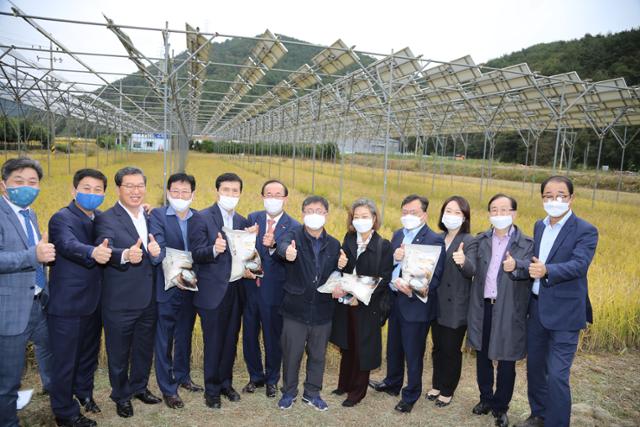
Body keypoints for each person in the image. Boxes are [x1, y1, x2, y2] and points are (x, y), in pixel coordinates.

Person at [516, 176, 598, 427]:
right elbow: (535, 263)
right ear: (542, 199)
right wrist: (517, 266)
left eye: (561, 195)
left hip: (566, 313)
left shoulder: (586, 230)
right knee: (535, 369)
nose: (555, 200)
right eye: (549, 196)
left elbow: (579, 265)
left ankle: (557, 423)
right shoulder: (540, 226)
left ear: (572, 198)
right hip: (538, 308)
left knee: (557, 376)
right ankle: (538, 415)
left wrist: (548, 271)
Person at [94, 167, 162, 418]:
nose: (135, 191)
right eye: (129, 186)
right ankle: (121, 395)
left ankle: (139, 387)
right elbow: (104, 246)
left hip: (148, 298)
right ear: (119, 189)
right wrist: (124, 254)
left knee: (144, 349)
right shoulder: (107, 218)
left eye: (140, 186)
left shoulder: (150, 215)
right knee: (119, 352)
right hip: (120, 300)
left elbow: (157, 247)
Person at [369, 194, 445, 414]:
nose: (408, 216)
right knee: (394, 347)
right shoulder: (398, 234)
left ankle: (411, 394)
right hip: (394, 300)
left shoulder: (434, 239)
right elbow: (389, 264)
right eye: (405, 212)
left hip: (416, 304)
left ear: (424, 215)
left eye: (413, 212)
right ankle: (392, 383)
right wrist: (395, 258)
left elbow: (436, 275)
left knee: (413, 352)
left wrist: (413, 288)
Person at [47, 169, 109, 427]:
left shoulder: (101, 217)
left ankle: (84, 393)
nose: (91, 194)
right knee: (65, 360)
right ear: (74, 191)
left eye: (97, 190)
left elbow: (124, 223)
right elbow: (67, 244)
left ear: (104, 194)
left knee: (87, 355)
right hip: (68, 304)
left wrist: (147, 211)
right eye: (86, 188)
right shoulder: (62, 218)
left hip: (94, 301)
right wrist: (93, 251)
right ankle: (65, 412)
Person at [466, 193, 533, 427]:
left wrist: (518, 265)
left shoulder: (527, 243)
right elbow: (470, 266)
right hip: (484, 306)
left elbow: (532, 270)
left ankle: (500, 406)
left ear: (514, 213)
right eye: (494, 210)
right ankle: (485, 399)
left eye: (504, 210)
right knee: (482, 355)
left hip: (509, 309)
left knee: (506, 360)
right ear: (489, 214)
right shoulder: (481, 239)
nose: (499, 214)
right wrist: (462, 261)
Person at [189, 172, 252, 409]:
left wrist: (252, 256)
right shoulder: (202, 218)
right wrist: (214, 250)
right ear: (217, 191)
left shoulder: (243, 222)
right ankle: (212, 389)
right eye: (226, 190)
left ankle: (226, 383)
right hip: (212, 292)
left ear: (240, 194)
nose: (230, 195)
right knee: (214, 341)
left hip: (236, 290)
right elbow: (196, 253)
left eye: (235, 191)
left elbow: (247, 255)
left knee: (230, 340)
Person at [0, 157, 54, 427]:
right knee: (8, 377)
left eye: (32, 182)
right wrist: (32, 254)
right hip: (10, 309)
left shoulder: (29, 213)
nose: (26, 187)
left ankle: (56, 398)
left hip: (37, 302)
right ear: (3, 184)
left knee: (49, 352)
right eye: (18, 182)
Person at [276, 195, 341, 411]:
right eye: (310, 210)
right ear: (303, 214)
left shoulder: (333, 244)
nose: (315, 215)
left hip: (322, 310)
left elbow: (335, 274)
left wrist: (341, 268)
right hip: (295, 309)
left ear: (326, 215)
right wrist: (287, 251)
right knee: (292, 354)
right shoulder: (293, 235)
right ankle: (289, 392)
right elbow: (281, 246)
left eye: (319, 211)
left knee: (318, 355)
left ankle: (312, 393)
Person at [329, 198, 393, 407]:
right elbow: (342, 268)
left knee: (362, 348)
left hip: (367, 304)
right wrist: (339, 266)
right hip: (347, 300)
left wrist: (361, 297)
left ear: (374, 219)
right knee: (347, 344)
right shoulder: (348, 239)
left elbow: (384, 279)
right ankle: (344, 384)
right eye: (356, 217)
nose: (360, 221)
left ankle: (358, 391)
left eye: (365, 217)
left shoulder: (383, 246)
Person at [149, 173, 203, 410]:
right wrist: (156, 253)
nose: (180, 196)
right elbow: (158, 246)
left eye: (185, 192)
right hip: (167, 286)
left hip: (191, 288)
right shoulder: (157, 215)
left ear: (193, 194)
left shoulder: (199, 218)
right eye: (175, 192)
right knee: (164, 337)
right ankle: (168, 388)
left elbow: (205, 249)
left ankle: (183, 376)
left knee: (184, 334)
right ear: (168, 193)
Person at [241, 179, 299, 398]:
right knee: (249, 334)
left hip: (274, 291)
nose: (273, 199)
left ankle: (272, 378)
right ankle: (255, 376)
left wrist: (274, 246)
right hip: (250, 289)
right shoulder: (252, 218)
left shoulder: (293, 226)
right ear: (262, 196)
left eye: (277, 195)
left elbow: (288, 255)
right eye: (269, 194)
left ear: (285, 198)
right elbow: (243, 249)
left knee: (272, 336)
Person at [426, 196, 476, 408]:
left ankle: (447, 389)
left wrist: (463, 261)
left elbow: (473, 270)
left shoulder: (470, 240)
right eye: (448, 211)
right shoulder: (437, 238)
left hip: (456, 305)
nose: (452, 216)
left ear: (464, 217)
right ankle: (437, 384)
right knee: (437, 346)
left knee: (451, 348)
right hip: (434, 302)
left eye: (457, 212)